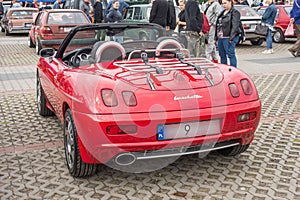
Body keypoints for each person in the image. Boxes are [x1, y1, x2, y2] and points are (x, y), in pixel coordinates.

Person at [215, 0, 241, 67]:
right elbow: (217, 25)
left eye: (225, 3)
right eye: (222, 3)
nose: (223, 5)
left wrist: (231, 37)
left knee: (230, 54)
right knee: (222, 54)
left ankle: (234, 70)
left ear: (230, 2)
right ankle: (224, 69)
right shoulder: (222, 12)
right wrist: (216, 37)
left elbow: (235, 26)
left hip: (228, 36)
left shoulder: (235, 12)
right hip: (221, 36)